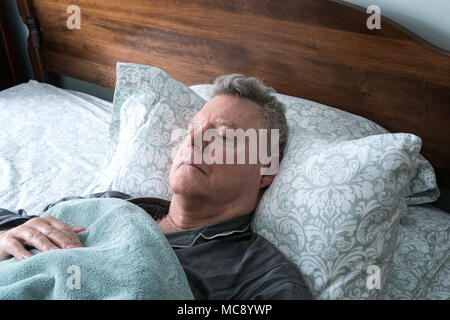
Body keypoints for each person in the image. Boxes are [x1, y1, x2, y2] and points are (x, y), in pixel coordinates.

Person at [0, 74, 311, 300]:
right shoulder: (115, 205)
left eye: (225, 136)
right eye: (193, 129)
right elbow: (16, 223)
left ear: (267, 169)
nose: (195, 141)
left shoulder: (259, 277)